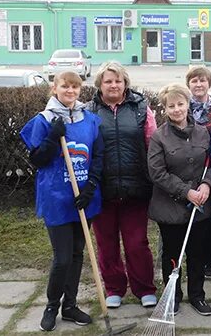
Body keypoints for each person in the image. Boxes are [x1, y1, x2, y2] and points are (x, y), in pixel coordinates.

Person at [20, 71, 103, 332]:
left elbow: (98, 157)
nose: (70, 91)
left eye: (75, 87)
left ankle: (70, 306)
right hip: (57, 199)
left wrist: (90, 187)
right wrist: (52, 137)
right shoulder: (44, 120)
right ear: (55, 88)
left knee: (78, 253)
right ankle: (52, 306)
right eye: (65, 86)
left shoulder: (90, 119)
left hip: (83, 199)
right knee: (63, 257)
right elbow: (38, 160)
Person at [85, 61, 157, 309]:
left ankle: (144, 288)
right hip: (102, 189)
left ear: (125, 83)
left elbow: (152, 145)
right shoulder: (88, 111)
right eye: (108, 81)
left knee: (137, 243)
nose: (113, 85)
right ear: (100, 85)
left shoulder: (141, 109)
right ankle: (114, 288)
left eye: (118, 80)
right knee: (107, 244)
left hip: (136, 188)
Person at [148, 84, 211, 316]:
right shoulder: (159, 137)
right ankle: (172, 296)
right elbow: (157, 173)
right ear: (165, 109)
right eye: (171, 106)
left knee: (197, 253)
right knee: (173, 254)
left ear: (188, 105)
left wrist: (206, 185)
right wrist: (186, 192)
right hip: (170, 208)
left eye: (180, 104)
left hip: (199, 207)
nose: (176, 109)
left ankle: (197, 296)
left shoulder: (202, 132)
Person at [186, 66, 211, 279]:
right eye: (194, 81)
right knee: (189, 212)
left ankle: (208, 261)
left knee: (210, 215)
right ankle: (190, 257)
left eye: (202, 80)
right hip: (188, 166)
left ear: (209, 83)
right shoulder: (182, 105)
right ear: (188, 84)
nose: (199, 84)